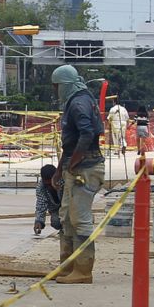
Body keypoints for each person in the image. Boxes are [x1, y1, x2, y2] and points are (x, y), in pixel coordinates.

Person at [51, 65, 107, 284]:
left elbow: (87, 133)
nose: (55, 91)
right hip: (75, 167)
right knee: (66, 218)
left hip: (86, 168)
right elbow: (70, 143)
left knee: (80, 219)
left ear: (64, 84)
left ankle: (83, 270)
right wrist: (60, 169)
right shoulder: (76, 101)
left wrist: (73, 164)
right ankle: (68, 266)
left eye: (57, 87)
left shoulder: (79, 103)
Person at [34, 164, 62, 235]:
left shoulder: (65, 181)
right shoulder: (41, 188)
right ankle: (63, 229)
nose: (50, 187)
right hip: (55, 209)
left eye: (51, 184)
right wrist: (39, 221)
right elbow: (41, 204)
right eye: (47, 185)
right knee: (55, 222)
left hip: (70, 206)